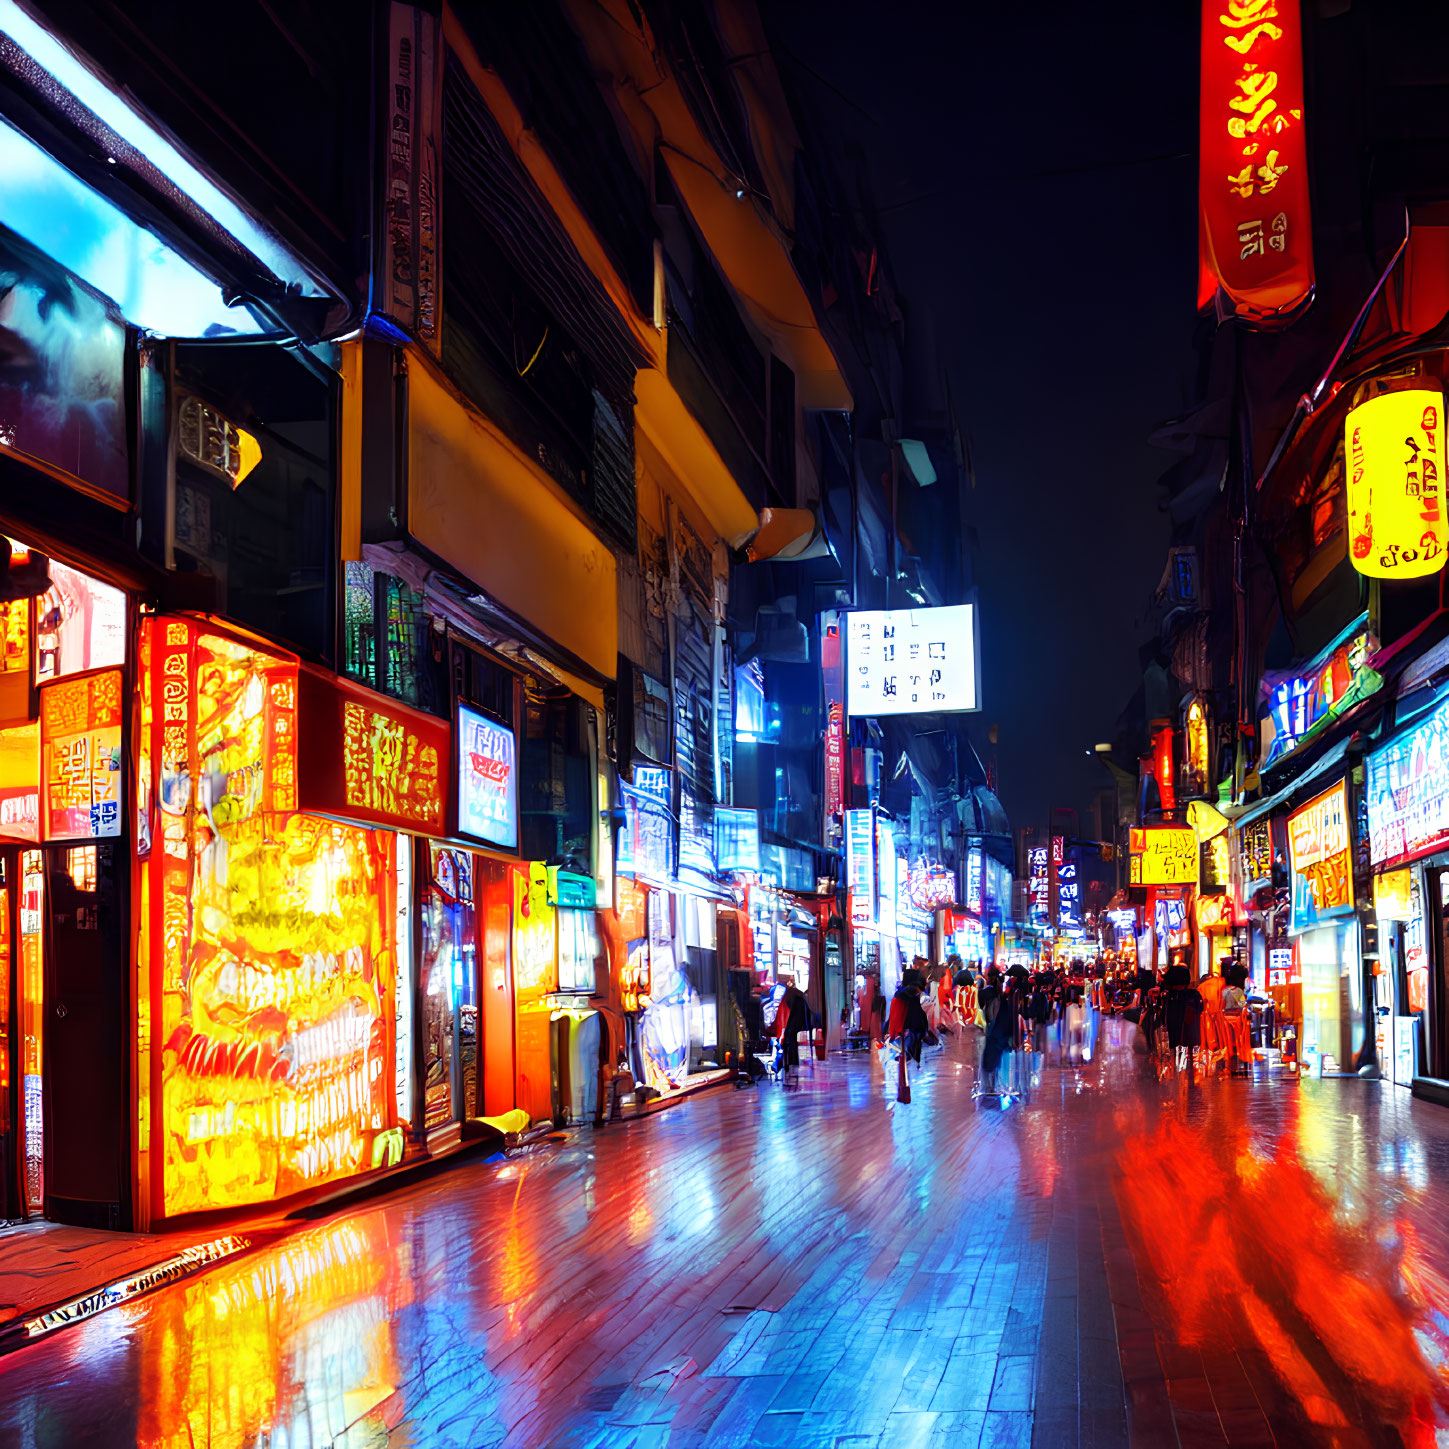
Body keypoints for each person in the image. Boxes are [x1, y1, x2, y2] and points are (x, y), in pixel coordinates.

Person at [1162, 960, 1204, 1077]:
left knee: (1178, 1049)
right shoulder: (1193, 995)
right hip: (1190, 1036)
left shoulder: (1171, 996)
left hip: (1178, 1035)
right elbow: (1200, 1009)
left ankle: (1178, 1070)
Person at [888, 968, 933, 1065]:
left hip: (907, 1036)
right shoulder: (909, 998)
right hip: (908, 1036)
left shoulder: (901, 997)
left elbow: (894, 1019)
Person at [773, 976, 812, 1073]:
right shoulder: (799, 999)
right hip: (797, 1027)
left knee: (792, 1045)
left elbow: (784, 1019)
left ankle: (791, 1065)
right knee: (793, 1046)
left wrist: (783, 1035)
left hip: (793, 1028)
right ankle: (792, 1064)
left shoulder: (789, 998)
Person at [1221, 964, 1252, 1076]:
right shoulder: (1238, 991)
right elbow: (1242, 1005)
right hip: (1238, 1020)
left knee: (1228, 1044)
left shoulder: (1224, 990)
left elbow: (1222, 1005)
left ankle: (1230, 1067)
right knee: (1239, 1044)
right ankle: (1238, 1066)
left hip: (1225, 1020)